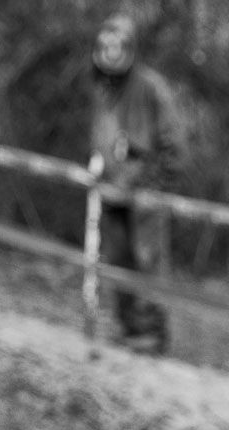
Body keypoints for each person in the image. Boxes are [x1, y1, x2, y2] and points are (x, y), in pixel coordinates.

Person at [88, 9, 184, 352]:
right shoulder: (103, 85)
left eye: (118, 47)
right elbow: (103, 134)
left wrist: (153, 184)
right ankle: (126, 326)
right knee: (119, 261)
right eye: (106, 47)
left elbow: (173, 145)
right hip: (113, 190)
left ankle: (152, 334)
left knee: (150, 264)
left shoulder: (151, 88)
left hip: (145, 194)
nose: (111, 53)